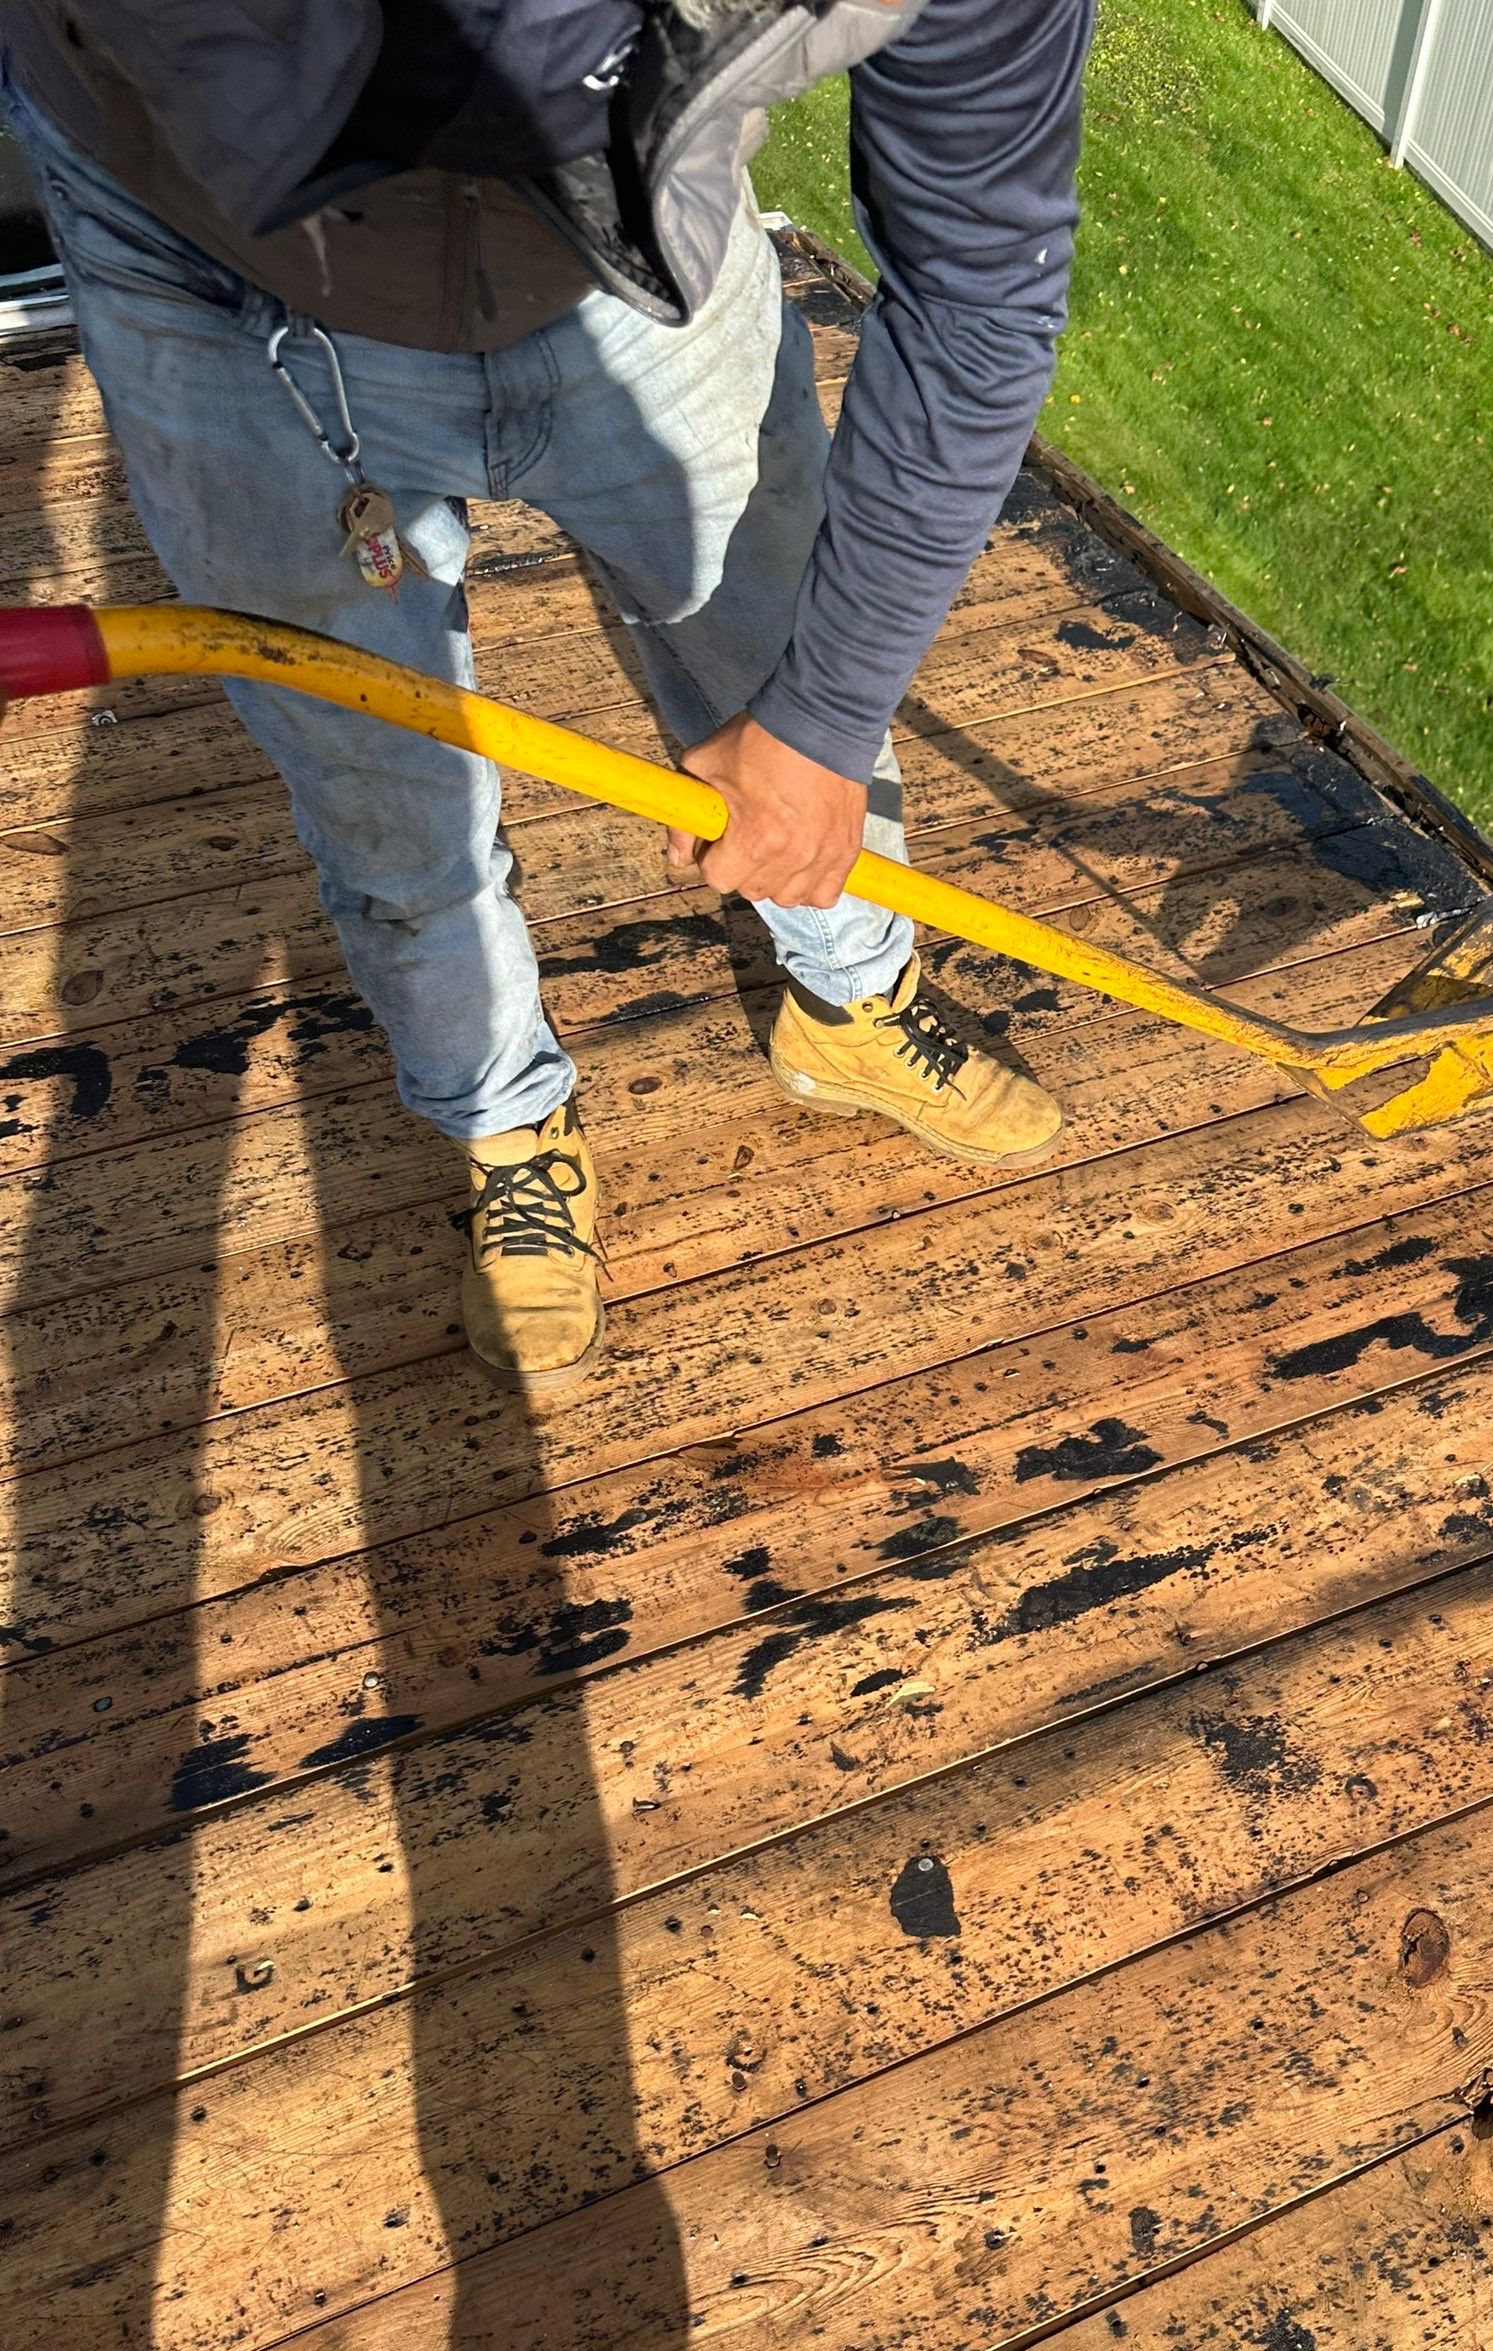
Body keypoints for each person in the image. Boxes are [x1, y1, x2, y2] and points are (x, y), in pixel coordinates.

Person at [0, 0, 1094, 1389]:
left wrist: (815, 728)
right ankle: (504, 1121)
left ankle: (855, 1004)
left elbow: (983, 291)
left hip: (632, 260)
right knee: (385, 789)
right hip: (210, 265)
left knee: (787, 655)